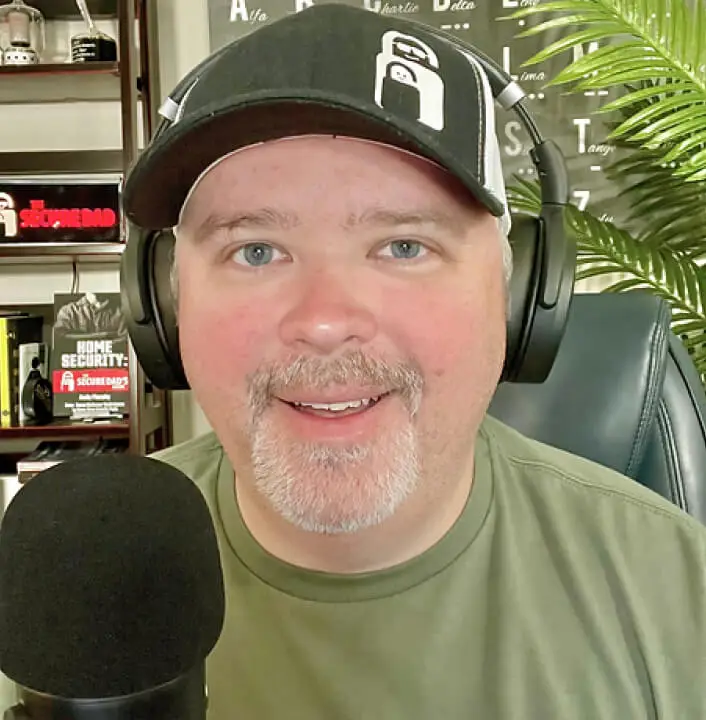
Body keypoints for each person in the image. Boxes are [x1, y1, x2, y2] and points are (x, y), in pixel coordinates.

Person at [122, 5, 706, 719]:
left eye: (403, 246)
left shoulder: (673, 586)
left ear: (521, 294)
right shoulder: (67, 585)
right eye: (256, 251)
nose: (325, 321)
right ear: (165, 302)